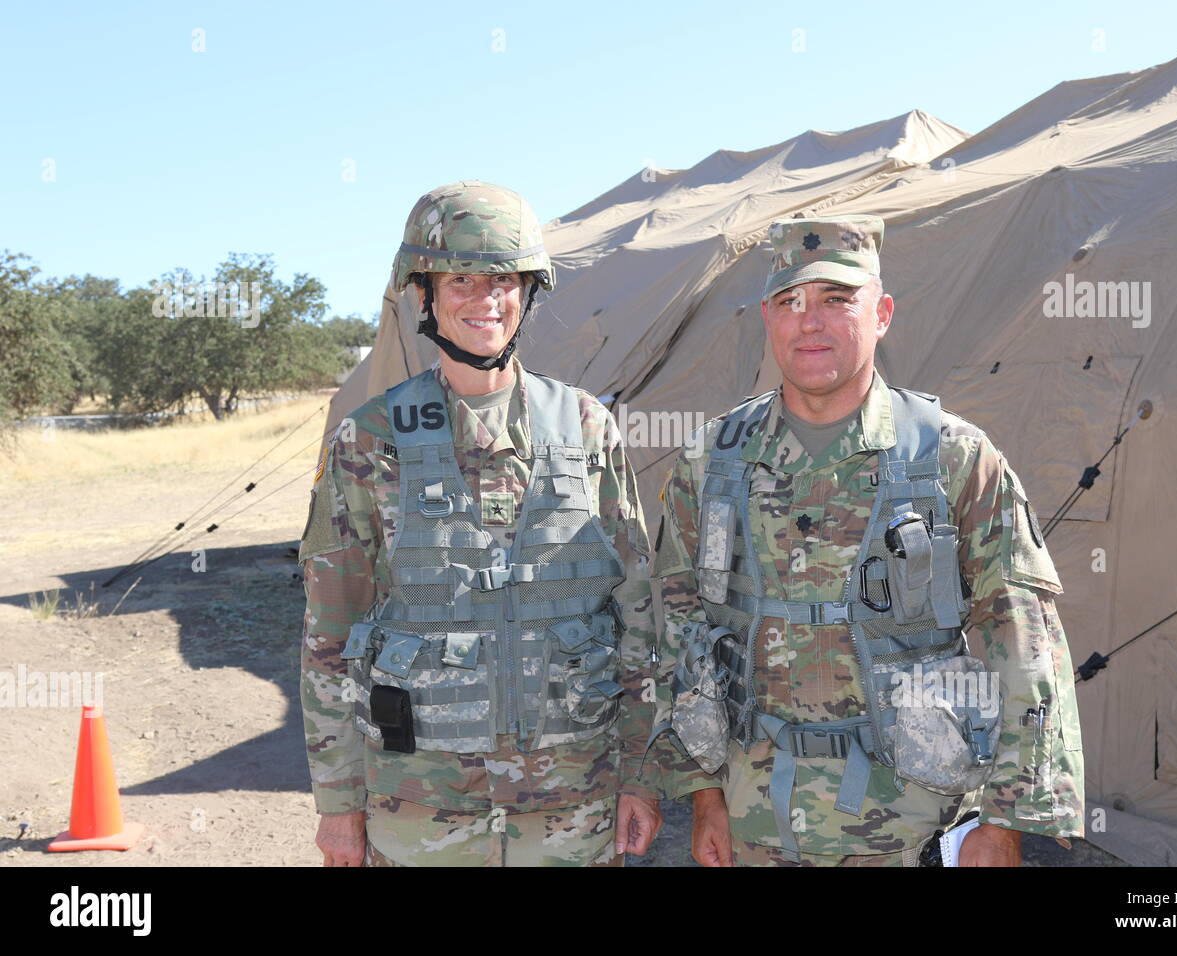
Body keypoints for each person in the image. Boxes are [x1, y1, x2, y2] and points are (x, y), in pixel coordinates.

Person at [649, 214, 1085, 866]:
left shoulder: (951, 456)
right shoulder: (713, 462)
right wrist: (702, 794)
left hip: (910, 825)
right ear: (768, 318)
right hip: (755, 822)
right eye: (790, 302)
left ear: (880, 313)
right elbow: (681, 626)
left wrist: (1005, 821)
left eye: (836, 299)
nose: (810, 321)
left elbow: (1022, 639)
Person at [298, 180, 662, 866]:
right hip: (421, 815)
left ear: (527, 294)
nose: (486, 300)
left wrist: (641, 777)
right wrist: (339, 805)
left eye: (505, 281)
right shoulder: (369, 440)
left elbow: (637, 617)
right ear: (424, 294)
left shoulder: (586, 428)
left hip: (572, 810)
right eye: (461, 279)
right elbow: (329, 636)